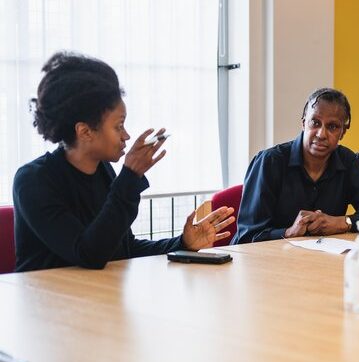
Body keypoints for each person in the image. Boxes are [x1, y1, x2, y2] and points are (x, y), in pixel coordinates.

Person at [13, 51, 235, 272]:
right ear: (85, 131)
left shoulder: (103, 171)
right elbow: (88, 254)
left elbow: (123, 250)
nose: (126, 136)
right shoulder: (33, 181)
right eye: (118, 126)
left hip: (95, 297)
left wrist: (183, 244)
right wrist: (129, 177)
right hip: (47, 301)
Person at [233, 88, 359, 244]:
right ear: (304, 124)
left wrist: (343, 222)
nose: (321, 134)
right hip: (264, 265)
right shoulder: (269, 162)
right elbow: (247, 237)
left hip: (320, 263)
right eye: (315, 123)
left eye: (332, 126)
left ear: (343, 133)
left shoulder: (350, 162)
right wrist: (289, 232)